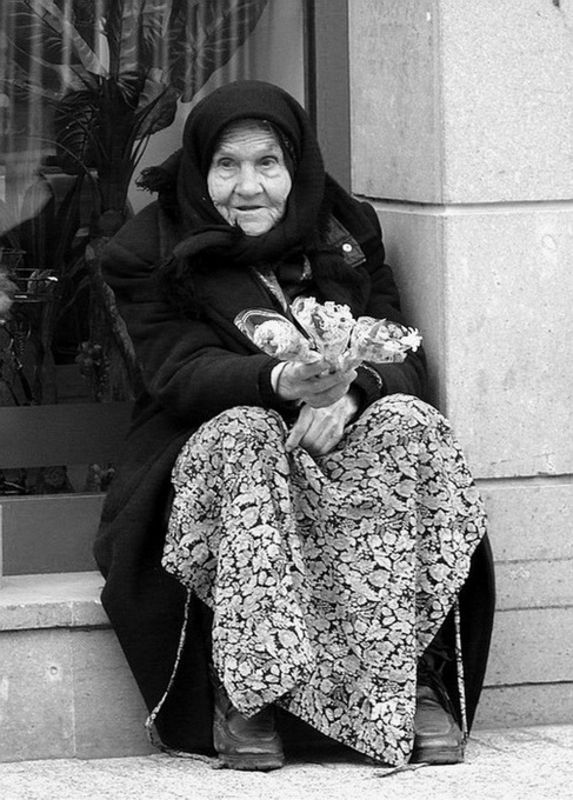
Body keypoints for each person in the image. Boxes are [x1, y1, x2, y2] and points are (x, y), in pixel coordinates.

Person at [94, 80, 495, 772]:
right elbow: (179, 373)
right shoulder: (147, 248)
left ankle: (406, 680)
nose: (247, 186)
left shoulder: (343, 232)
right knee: (247, 432)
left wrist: (351, 393)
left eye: (267, 163)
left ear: (296, 166)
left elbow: (402, 351)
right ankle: (247, 691)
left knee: (409, 423)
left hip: (335, 444)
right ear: (199, 167)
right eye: (226, 165)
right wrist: (280, 382)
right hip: (208, 459)